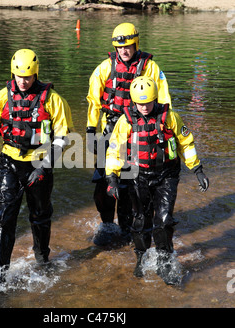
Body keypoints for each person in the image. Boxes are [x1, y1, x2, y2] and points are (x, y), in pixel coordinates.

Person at [0, 49, 73, 293]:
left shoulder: (52, 99)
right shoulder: (1, 97)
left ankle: (42, 259)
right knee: (4, 217)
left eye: (28, 77)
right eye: (19, 76)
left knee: (40, 215)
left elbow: (63, 138)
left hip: (40, 161)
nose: (23, 81)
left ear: (36, 73)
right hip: (10, 161)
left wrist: (43, 167)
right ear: (13, 73)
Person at [105, 76, 209, 285]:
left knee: (163, 220)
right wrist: (112, 177)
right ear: (134, 102)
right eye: (140, 103)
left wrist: (197, 169)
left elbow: (185, 143)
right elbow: (115, 150)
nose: (144, 107)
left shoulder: (170, 117)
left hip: (166, 175)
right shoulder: (126, 121)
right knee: (141, 220)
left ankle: (164, 259)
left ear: (155, 99)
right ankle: (141, 257)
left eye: (148, 102)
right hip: (137, 175)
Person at [86, 22, 172, 246]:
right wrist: (89, 130)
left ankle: (127, 228)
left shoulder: (151, 68)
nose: (124, 51)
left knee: (130, 181)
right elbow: (94, 101)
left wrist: (162, 130)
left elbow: (163, 99)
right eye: (119, 47)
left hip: (138, 129)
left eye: (128, 46)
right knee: (103, 182)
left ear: (136, 44)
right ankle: (107, 224)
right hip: (110, 128)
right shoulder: (104, 68)